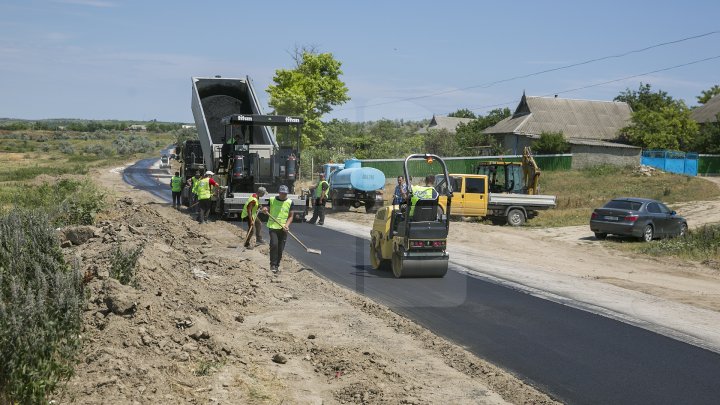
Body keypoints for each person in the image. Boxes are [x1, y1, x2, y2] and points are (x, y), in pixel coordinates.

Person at [261, 185, 293, 273]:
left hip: (283, 229)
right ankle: (273, 265)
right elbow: (267, 208)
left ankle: (277, 265)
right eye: (282, 193)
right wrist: (265, 209)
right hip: (273, 226)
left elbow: (291, 216)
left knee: (280, 248)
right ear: (279, 193)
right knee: (274, 244)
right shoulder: (272, 200)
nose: (284, 195)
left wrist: (286, 225)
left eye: (285, 194)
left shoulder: (290, 202)